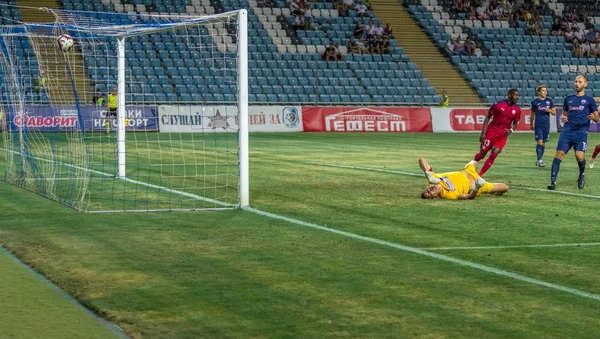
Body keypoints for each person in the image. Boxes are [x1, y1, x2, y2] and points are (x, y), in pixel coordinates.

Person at [548, 75, 599, 190]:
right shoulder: (568, 99)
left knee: (579, 156)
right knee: (559, 154)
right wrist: (563, 118)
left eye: (580, 82)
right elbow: (564, 115)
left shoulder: (589, 100)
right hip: (567, 131)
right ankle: (552, 181)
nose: (577, 84)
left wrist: (593, 117)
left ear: (585, 84)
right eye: (576, 81)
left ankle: (581, 174)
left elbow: (597, 118)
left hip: (581, 132)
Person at [473, 88, 522, 176]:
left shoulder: (517, 109)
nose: (517, 97)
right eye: (515, 95)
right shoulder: (498, 104)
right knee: (482, 154)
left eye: (518, 95)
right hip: (491, 132)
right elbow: (488, 117)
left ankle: (479, 175)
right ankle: (470, 168)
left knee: (494, 153)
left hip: (502, 135)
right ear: (509, 95)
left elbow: (515, 123)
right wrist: (483, 133)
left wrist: (511, 130)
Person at [419, 157, 509, 200]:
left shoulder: (433, 179)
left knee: (474, 161)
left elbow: (421, 160)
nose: (428, 190)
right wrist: (477, 187)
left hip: (467, 171)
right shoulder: (449, 195)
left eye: (426, 190)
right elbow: (469, 197)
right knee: (505, 187)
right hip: (476, 184)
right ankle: (485, 189)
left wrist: (427, 172)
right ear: (434, 196)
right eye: (429, 193)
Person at [530, 85, 556, 167]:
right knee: (539, 142)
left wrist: (549, 110)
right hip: (538, 124)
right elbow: (532, 114)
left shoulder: (549, 101)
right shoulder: (535, 102)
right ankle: (539, 160)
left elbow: (554, 113)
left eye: (546, 90)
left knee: (543, 143)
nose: (545, 92)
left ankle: (540, 158)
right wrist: (531, 124)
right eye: (543, 90)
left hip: (546, 125)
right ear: (539, 92)